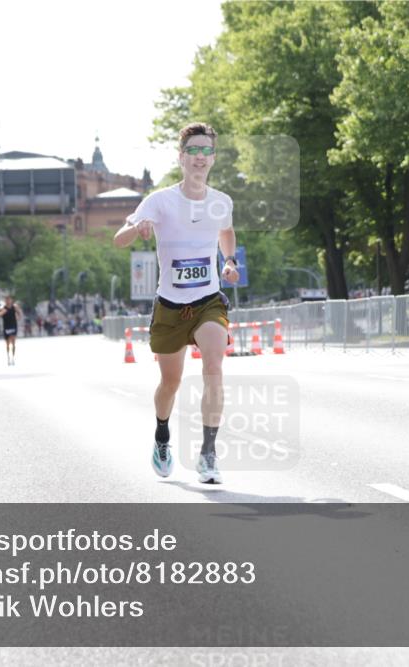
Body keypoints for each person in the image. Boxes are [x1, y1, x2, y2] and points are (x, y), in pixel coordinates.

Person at [112, 122, 238, 484]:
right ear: (181, 157)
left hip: (208, 301)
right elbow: (119, 240)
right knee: (171, 382)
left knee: (214, 364)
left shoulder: (221, 202)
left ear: (213, 157)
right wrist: (139, 229)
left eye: (206, 151)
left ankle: (208, 454)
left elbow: (226, 232)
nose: (199, 158)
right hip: (170, 304)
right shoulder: (159, 200)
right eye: (193, 151)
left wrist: (229, 261)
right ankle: (162, 435)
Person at [0, 295, 23, 365]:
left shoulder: (14, 307)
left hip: (13, 326)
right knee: (7, 344)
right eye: (6, 299)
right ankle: (8, 357)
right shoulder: (3, 308)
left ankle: (13, 357)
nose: (8, 301)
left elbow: (20, 313)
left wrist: (18, 318)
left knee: (13, 342)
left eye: (9, 299)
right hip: (6, 327)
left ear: (11, 300)